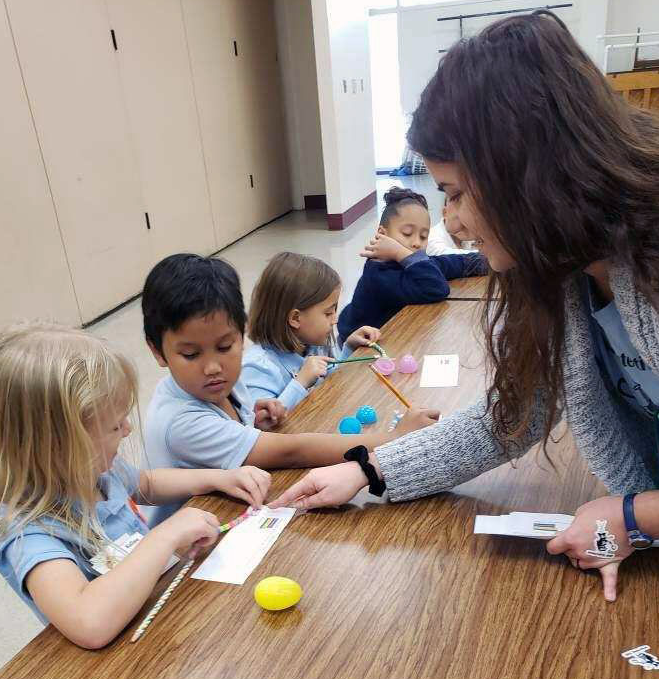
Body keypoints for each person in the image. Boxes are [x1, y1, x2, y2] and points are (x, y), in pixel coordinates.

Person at [271, 13, 659, 679]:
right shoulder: (566, 268)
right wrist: (369, 470)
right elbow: (514, 413)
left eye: (454, 191)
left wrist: (637, 515)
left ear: (525, 173)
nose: (449, 220)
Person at [0, 324, 269, 679]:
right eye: (112, 427)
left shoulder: (92, 471)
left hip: (153, 647)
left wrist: (215, 478)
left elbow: (149, 483)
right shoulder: (30, 532)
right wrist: (165, 540)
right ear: (56, 443)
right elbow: (89, 623)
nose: (126, 430)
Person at [142, 254, 437, 523]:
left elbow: (242, 436)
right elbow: (292, 451)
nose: (213, 367)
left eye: (224, 346)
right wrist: (395, 438)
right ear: (157, 351)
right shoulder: (181, 421)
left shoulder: (222, 384)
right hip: (193, 549)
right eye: (191, 355)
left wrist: (252, 422)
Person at [336, 186, 487, 345]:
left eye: (423, 237)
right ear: (382, 233)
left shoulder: (409, 261)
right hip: (356, 345)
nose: (416, 243)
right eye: (407, 233)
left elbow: (447, 264)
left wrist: (484, 261)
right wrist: (401, 253)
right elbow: (435, 288)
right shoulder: (378, 274)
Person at [242, 252, 380, 410]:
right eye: (328, 313)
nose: (335, 319)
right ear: (295, 318)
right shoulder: (257, 368)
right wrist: (301, 382)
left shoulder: (312, 342)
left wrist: (348, 348)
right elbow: (263, 427)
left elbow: (330, 382)